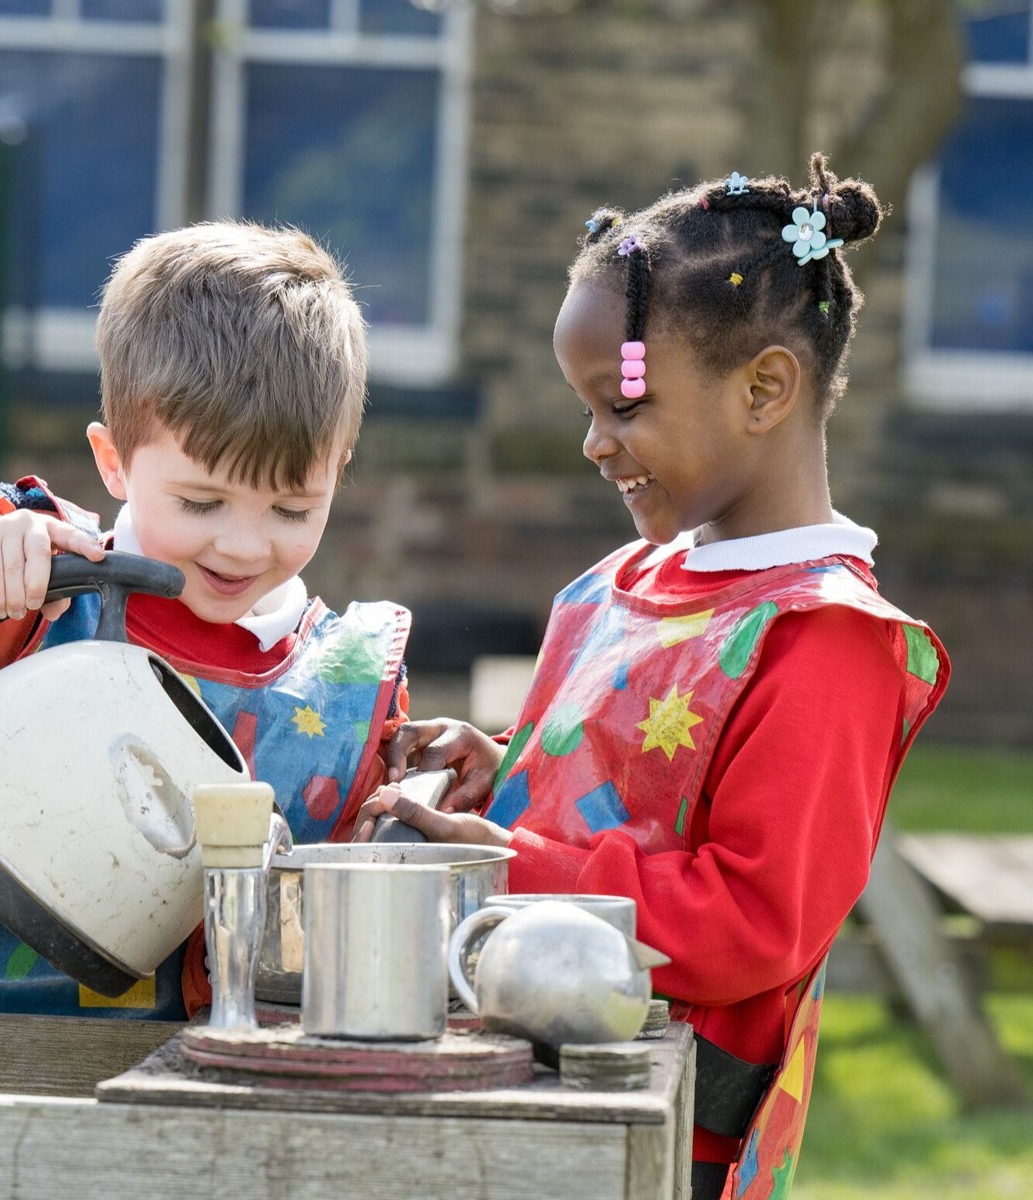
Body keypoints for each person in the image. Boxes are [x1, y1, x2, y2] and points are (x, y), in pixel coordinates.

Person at [357, 158, 949, 1200]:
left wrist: (511, 862)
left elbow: (753, 920)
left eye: (622, 404)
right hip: (512, 1088)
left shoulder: (824, 639)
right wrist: (494, 779)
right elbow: (622, 807)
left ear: (765, 387)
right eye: (584, 408)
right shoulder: (612, 585)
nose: (594, 443)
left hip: (658, 1138)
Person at [0, 222, 410, 1019]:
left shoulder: (348, 690)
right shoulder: (25, 591)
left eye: (294, 508)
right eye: (201, 501)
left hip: (137, 1104)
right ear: (113, 459)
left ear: (339, 471)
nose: (244, 544)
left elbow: (323, 956)